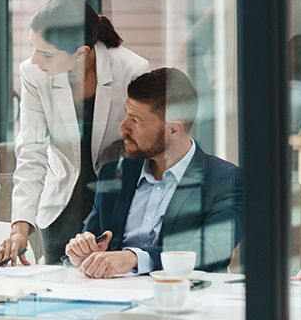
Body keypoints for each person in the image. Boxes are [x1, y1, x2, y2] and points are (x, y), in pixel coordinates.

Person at [0, 0, 149, 265]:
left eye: (45, 53)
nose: (34, 60)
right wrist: (20, 228)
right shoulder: (33, 74)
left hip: (114, 204)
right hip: (62, 207)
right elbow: (31, 152)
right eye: (33, 48)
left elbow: (140, 146)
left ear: (81, 53)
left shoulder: (131, 69)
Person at [65, 68, 242, 278]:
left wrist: (135, 258)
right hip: (113, 296)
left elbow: (210, 250)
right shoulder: (113, 173)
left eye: (135, 120)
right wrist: (81, 252)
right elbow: (93, 238)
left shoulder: (227, 180)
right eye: (126, 116)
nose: (123, 127)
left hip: (183, 300)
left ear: (173, 130)